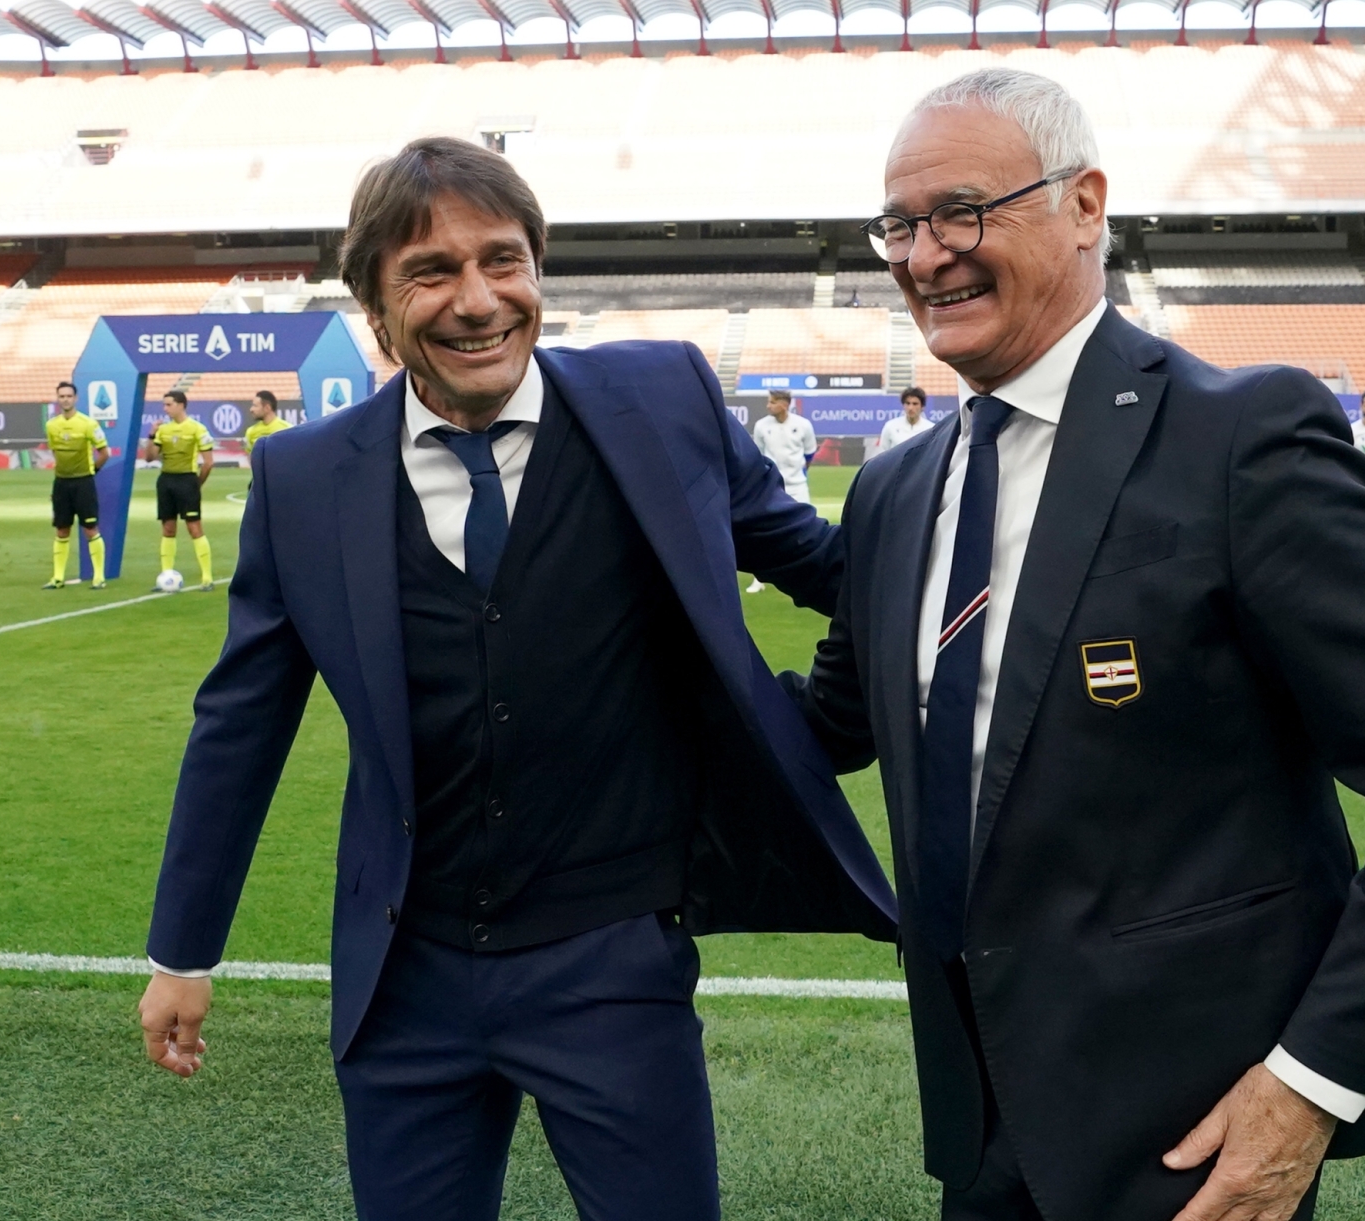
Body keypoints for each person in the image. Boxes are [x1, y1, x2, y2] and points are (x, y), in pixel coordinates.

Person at [788, 69, 1365, 1221]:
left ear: (1085, 206)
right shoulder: (890, 491)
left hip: (1195, 1141)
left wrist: (1309, 1089)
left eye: (964, 212)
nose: (926, 257)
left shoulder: (1243, 439)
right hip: (980, 1127)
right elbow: (829, 724)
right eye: (902, 224)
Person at [136, 136, 893, 1221]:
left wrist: (831, 718)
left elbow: (830, 570)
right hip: (405, 977)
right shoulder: (303, 479)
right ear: (377, 314)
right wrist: (183, 951)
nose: (477, 300)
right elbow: (239, 725)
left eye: (503, 260)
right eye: (430, 273)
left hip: (614, 958)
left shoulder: (659, 397)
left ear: (538, 271)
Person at [141, 390, 216, 591]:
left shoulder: (196, 429)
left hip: (187, 480)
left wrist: (196, 484)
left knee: (194, 528)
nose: (165, 409)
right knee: (168, 528)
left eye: (169, 404)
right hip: (166, 481)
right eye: (164, 405)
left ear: (181, 405)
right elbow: (149, 458)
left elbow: (208, 463)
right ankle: (166, 576)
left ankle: (207, 578)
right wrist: (151, 435)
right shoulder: (163, 430)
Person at [745, 390, 818, 592]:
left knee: (806, 530)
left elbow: (810, 453)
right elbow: (758, 455)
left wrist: (800, 473)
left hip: (798, 485)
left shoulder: (803, 425)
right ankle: (759, 580)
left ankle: (806, 573)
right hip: (772, 487)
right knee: (763, 531)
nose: (768, 406)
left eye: (772, 402)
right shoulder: (761, 426)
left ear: (784, 404)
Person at [43, 380, 110, 590]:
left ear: (76, 398)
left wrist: (91, 472)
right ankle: (58, 577)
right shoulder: (51, 425)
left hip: (83, 483)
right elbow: (55, 452)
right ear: (58, 399)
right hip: (61, 483)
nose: (65, 399)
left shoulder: (88, 424)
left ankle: (99, 577)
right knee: (62, 530)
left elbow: (104, 453)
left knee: (90, 528)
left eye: (68, 396)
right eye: (61, 396)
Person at [875, 386, 936, 455]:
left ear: (922, 407)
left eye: (915, 404)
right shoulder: (890, 426)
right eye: (907, 403)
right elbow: (882, 453)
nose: (910, 408)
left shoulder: (931, 429)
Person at [242, 389, 293, 456]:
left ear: (267, 408)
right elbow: (250, 456)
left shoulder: (288, 429)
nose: (251, 409)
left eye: (255, 406)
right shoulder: (250, 432)